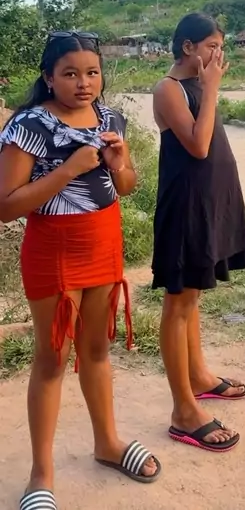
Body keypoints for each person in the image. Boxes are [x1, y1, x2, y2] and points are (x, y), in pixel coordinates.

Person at [0, 31, 161, 510]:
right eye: (70, 73)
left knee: (96, 350)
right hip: (53, 251)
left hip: (103, 245)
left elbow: (126, 186)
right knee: (52, 360)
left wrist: (118, 163)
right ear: (49, 78)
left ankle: (107, 443)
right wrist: (68, 170)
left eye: (92, 72)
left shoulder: (109, 119)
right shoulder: (29, 124)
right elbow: (6, 207)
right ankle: (40, 475)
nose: (84, 82)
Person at [152, 12, 245, 453]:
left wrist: (209, 87)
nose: (218, 55)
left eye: (221, 46)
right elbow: (198, 144)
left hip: (210, 204)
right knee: (179, 302)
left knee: (192, 297)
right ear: (188, 47)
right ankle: (183, 410)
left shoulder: (197, 84)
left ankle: (198, 376)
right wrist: (212, 89)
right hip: (186, 207)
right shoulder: (169, 88)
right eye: (212, 46)